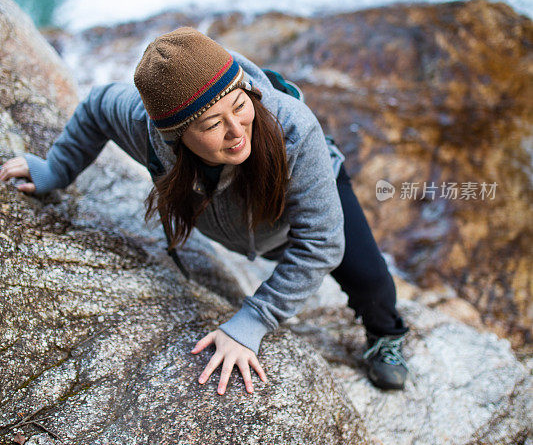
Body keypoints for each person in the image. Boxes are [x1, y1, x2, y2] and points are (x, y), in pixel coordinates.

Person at [0, 27, 409, 395]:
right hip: (244, 226)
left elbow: (320, 242)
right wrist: (57, 168)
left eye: (240, 105)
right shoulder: (146, 128)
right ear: (175, 135)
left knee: (370, 280)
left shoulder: (294, 129)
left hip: (300, 194)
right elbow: (96, 106)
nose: (236, 131)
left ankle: (386, 336)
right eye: (213, 124)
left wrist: (254, 320)